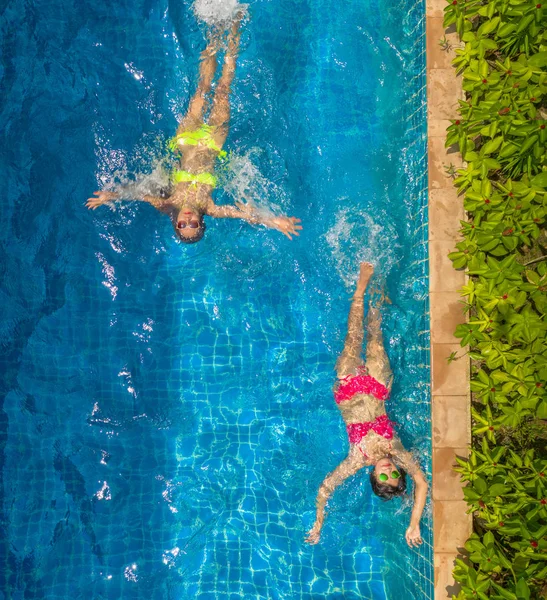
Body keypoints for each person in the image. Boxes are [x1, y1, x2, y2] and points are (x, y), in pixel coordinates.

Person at [86, 15, 302, 244]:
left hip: (186, 139)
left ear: (175, 222)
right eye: (193, 225)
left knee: (202, 88)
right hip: (213, 142)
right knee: (223, 89)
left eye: (182, 225)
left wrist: (111, 195)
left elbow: (137, 193)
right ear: (201, 222)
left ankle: (215, 30)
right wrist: (274, 222)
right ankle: (236, 24)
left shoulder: (166, 202)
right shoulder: (209, 207)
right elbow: (244, 214)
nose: (187, 220)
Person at [305, 262, 428, 547]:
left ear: (373, 476)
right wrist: (414, 524)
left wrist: (318, 523)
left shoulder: (356, 459)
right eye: (395, 474)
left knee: (353, 336)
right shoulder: (395, 450)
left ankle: (360, 290)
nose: (389, 469)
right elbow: (421, 483)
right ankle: (379, 285)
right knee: (375, 333)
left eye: (383, 475)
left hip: (348, 388)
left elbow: (324, 490)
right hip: (377, 384)